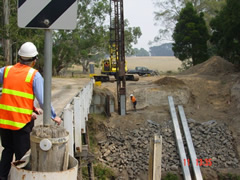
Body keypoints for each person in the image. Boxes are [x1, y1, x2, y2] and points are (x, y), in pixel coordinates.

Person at [0, 42, 61, 180]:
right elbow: (43, 100)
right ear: (34, 60)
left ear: (19, 57)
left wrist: (32, 108)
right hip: (21, 122)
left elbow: (15, 94)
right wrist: (53, 116)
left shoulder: (6, 70)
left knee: (7, 150)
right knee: (22, 156)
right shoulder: (34, 75)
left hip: (4, 121)